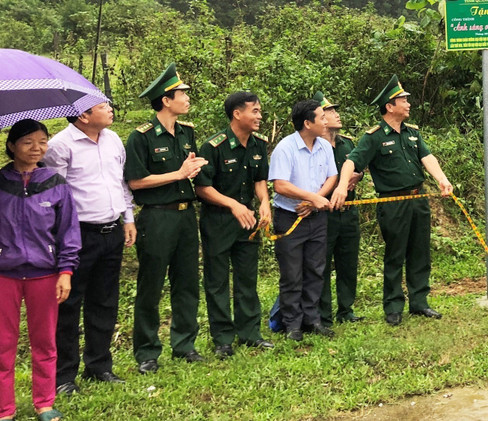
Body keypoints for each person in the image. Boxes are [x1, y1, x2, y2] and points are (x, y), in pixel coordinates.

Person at [332, 75, 453, 326]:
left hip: (418, 199)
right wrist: (342, 186)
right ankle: (393, 306)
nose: (408, 103)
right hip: (392, 202)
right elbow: (351, 162)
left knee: (420, 252)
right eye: (403, 100)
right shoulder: (374, 137)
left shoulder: (412, 133)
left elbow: (427, 157)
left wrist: (441, 179)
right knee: (395, 254)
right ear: (389, 106)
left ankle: (419, 302)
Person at [0, 118, 80, 421]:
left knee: (45, 342)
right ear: (12, 146)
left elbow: (68, 232)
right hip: (0, 274)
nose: (36, 148)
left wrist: (66, 271)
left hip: (45, 273)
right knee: (2, 346)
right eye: (27, 142)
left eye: (42, 141)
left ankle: (44, 403)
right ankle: (4, 411)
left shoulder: (56, 184)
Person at [43, 102, 136, 396]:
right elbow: (55, 193)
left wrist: (128, 217)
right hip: (77, 234)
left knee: (105, 300)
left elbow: (120, 182)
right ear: (83, 115)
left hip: (111, 229)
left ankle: (99, 365)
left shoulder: (113, 139)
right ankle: (64, 375)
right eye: (102, 105)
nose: (110, 109)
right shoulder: (60, 146)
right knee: (69, 305)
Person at [124, 63, 207, 373]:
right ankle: (146, 352)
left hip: (186, 217)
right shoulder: (140, 137)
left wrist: (193, 170)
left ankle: (184, 344)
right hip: (157, 218)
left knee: (186, 282)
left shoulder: (187, 133)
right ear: (165, 100)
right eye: (181, 93)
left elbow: (189, 171)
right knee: (151, 284)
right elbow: (135, 181)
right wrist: (179, 173)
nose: (186, 97)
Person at [195, 91, 273, 358]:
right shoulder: (214, 146)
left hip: (248, 220)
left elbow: (260, 180)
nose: (260, 116)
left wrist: (264, 202)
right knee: (217, 280)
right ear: (237, 114)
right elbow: (202, 188)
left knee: (247, 277)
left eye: (260, 111)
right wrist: (232, 204)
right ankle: (223, 339)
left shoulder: (259, 144)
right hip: (218, 221)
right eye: (255, 111)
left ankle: (250, 333)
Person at [269, 99, 336, 340]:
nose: (326, 120)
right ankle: (292, 324)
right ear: (307, 123)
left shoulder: (325, 146)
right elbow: (280, 184)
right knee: (292, 273)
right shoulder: (285, 148)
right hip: (290, 218)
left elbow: (332, 176)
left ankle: (312, 320)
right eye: (321, 117)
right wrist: (309, 197)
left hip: (315, 218)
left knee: (315, 269)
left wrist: (315, 200)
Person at [316, 92, 366, 327]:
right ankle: (323, 314)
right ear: (320, 118)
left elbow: (359, 166)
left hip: (349, 212)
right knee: (322, 264)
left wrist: (358, 176)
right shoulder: (312, 145)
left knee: (348, 262)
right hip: (324, 215)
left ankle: (346, 309)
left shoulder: (347, 143)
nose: (337, 114)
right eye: (331, 111)